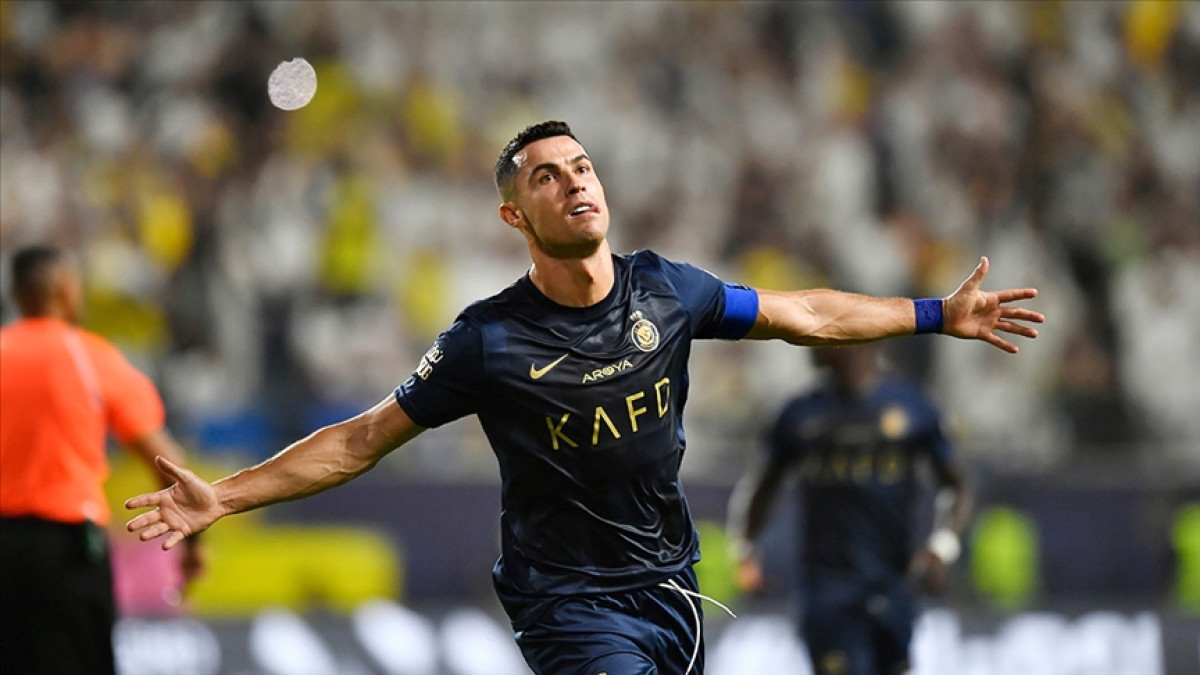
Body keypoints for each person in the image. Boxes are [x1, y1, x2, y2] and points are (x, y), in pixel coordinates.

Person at [125, 120, 1042, 675]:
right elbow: (363, 438)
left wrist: (935, 313)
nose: (574, 182)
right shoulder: (488, 340)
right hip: (566, 599)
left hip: (671, 588)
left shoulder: (666, 291)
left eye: (583, 166)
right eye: (547, 175)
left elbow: (804, 312)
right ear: (514, 215)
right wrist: (226, 495)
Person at [0, 245, 204, 674]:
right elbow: (169, 465)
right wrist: (193, 544)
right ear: (64, 289)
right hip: (69, 547)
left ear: (16, 294)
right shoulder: (91, 358)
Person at [726, 343, 971, 675]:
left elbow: (957, 484)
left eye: (828, 327)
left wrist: (942, 546)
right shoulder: (799, 413)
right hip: (827, 589)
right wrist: (746, 546)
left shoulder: (913, 404)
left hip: (894, 584)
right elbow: (763, 486)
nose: (812, 338)